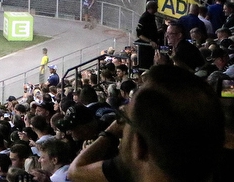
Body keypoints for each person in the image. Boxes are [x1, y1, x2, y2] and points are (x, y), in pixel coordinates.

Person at [67, 65, 224, 182]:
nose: (120, 124)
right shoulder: (210, 160)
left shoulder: (129, 170)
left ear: (139, 145)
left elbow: (75, 172)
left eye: (124, 118)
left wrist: (111, 132)